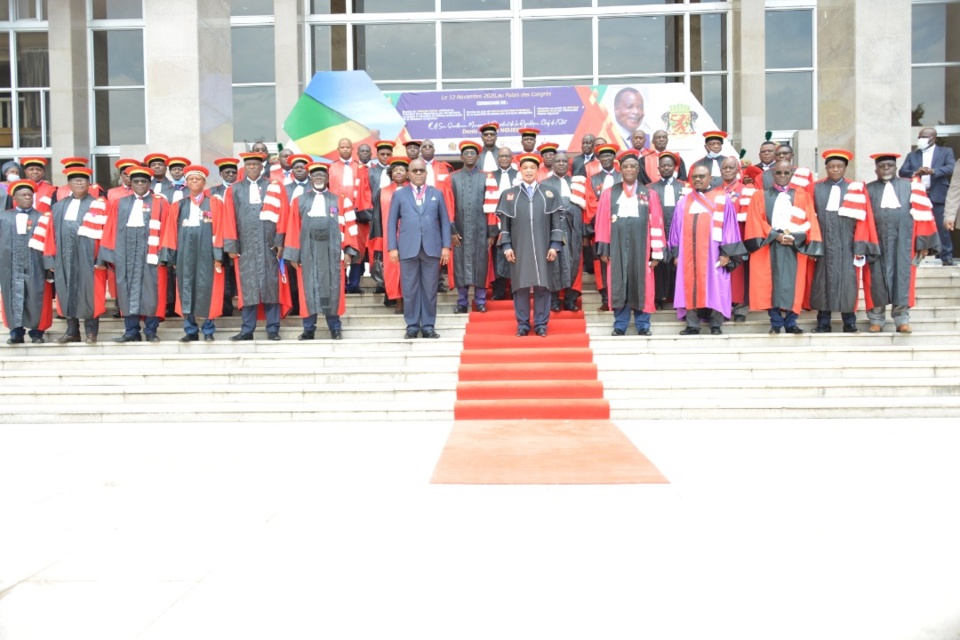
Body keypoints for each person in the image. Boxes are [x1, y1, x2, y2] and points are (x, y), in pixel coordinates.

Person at [864, 152, 941, 333]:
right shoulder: (867, 190)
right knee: (875, 280)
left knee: (903, 279)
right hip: (876, 243)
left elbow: (923, 216)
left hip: (904, 242)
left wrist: (923, 244)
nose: (886, 169)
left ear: (896, 168)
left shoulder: (911, 187)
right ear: (876, 169)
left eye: (889, 165)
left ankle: (901, 319)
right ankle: (876, 319)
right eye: (882, 166)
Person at [744, 160, 823, 335]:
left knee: (792, 284)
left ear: (791, 175)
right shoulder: (760, 196)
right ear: (773, 174)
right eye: (779, 173)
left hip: (794, 246)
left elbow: (810, 220)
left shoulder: (802, 196)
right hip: (769, 245)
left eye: (786, 173)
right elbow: (756, 220)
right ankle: (776, 322)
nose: (782, 176)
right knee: (770, 284)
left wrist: (795, 238)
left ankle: (791, 322)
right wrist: (776, 235)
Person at [283, 162, 360, 340]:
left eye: (322, 175)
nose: (319, 178)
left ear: (327, 179)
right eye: (315, 175)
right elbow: (293, 228)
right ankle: (309, 329)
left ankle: (335, 327)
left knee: (332, 290)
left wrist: (348, 251)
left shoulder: (340, 200)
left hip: (332, 254)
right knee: (308, 291)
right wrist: (293, 255)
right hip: (307, 254)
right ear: (310, 178)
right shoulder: (299, 201)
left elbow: (350, 227)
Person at [809, 149, 880, 333]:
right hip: (822, 242)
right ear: (826, 167)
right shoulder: (815, 187)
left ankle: (849, 322)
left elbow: (863, 220)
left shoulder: (855, 188)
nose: (835, 170)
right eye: (831, 166)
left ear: (845, 168)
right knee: (821, 282)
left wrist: (859, 245)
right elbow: (809, 216)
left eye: (839, 166)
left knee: (848, 283)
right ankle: (823, 322)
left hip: (846, 244)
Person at [221, 151, 291, 341]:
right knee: (248, 288)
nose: (252, 167)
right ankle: (247, 330)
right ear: (244, 167)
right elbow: (228, 217)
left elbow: (283, 215)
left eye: (255, 164)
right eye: (249, 164)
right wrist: (231, 245)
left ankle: (273, 328)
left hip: (269, 246)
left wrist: (280, 242)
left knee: (271, 287)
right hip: (245, 247)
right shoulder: (234, 189)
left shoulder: (274, 187)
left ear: (262, 166)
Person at [669, 164, 746, 335]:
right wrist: (675, 253)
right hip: (689, 255)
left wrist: (726, 253)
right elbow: (675, 229)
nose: (697, 179)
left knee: (716, 287)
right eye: (694, 176)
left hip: (714, 254)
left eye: (701, 176)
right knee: (689, 287)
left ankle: (716, 324)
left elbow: (730, 228)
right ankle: (692, 324)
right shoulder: (684, 202)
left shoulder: (721, 199)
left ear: (710, 178)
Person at [594, 150, 665, 336]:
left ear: (638, 168)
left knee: (642, 283)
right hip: (616, 247)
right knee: (619, 283)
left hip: (641, 247)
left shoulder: (649, 194)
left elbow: (656, 223)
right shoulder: (610, 194)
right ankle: (620, 324)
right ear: (620, 169)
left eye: (633, 166)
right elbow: (602, 222)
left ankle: (643, 324)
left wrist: (656, 252)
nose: (629, 169)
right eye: (625, 166)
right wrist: (603, 248)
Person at [98, 167, 170, 342]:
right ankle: (131, 331)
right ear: (130, 183)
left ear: (149, 183)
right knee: (127, 292)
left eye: (143, 181)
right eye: (136, 181)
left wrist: (166, 254)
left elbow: (168, 229)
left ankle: (151, 331)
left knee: (152, 292)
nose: (139, 184)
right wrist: (108, 256)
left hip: (151, 256)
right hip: (126, 256)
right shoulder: (120, 203)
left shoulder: (160, 202)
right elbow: (110, 229)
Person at [496, 153, 563, 337]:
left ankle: (541, 324)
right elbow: (504, 226)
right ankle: (523, 324)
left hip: (544, 247)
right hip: (519, 248)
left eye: (532, 168)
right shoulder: (509, 195)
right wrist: (507, 246)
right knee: (521, 287)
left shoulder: (550, 193)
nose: (528, 171)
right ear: (520, 170)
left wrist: (554, 245)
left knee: (543, 286)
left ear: (537, 170)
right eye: (525, 168)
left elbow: (557, 222)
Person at [158, 164, 225, 342]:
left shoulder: (215, 203)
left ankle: (208, 330)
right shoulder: (179, 205)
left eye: (198, 179)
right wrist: (169, 257)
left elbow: (220, 229)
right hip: (185, 255)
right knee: (186, 290)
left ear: (204, 182)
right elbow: (170, 231)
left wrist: (218, 256)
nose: (194, 181)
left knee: (208, 290)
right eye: (191, 179)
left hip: (208, 255)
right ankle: (190, 330)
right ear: (186, 182)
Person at [387, 158, 451, 339]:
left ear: (426, 172)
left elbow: (445, 222)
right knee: (410, 289)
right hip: (408, 248)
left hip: (432, 248)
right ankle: (413, 326)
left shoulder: (436, 194)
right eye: (414, 171)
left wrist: (446, 246)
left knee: (430, 289)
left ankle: (429, 325)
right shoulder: (400, 195)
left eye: (421, 170)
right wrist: (392, 247)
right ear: (408, 173)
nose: (418, 174)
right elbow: (391, 222)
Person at [44, 166, 108, 344]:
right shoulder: (58, 207)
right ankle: (72, 331)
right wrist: (50, 259)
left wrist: (102, 257)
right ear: (69, 184)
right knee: (66, 293)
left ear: (89, 184)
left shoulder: (99, 205)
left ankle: (91, 332)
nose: (79, 183)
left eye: (83, 180)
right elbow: (50, 234)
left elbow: (107, 233)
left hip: (90, 258)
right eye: (75, 180)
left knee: (90, 295)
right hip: (64, 258)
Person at [0, 180, 53, 343]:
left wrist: (49, 265)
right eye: (23, 195)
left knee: (37, 298)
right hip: (11, 266)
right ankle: (16, 332)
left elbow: (50, 242)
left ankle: (37, 332)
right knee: (12, 298)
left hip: (36, 265)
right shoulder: (4, 217)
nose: (28, 198)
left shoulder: (42, 217)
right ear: (14, 197)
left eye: (30, 195)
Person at [448, 140, 496, 314]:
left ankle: (480, 301)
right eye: (466, 153)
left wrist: (491, 232)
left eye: (472, 153)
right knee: (460, 265)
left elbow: (492, 206)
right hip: (459, 231)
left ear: (477, 156)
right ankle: (462, 302)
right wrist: (451, 231)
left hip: (481, 230)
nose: (469, 156)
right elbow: (448, 205)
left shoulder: (486, 177)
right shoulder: (452, 178)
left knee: (481, 264)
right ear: (461, 156)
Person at [898, 127, 956, 265]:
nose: (921, 140)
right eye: (920, 136)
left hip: (937, 195)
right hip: (918, 197)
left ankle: (946, 258)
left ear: (934, 138)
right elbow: (902, 172)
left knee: (942, 228)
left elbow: (951, 167)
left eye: (924, 137)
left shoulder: (945, 152)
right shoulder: (913, 155)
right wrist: (916, 172)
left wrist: (933, 171)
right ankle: (915, 257)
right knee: (916, 227)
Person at [541, 151, 587, 312]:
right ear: (552, 164)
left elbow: (583, 210)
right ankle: (554, 300)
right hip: (552, 231)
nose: (561, 163)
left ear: (568, 165)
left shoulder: (576, 184)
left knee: (574, 264)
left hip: (574, 230)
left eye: (564, 161)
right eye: (558, 161)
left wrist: (585, 233)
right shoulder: (544, 184)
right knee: (553, 265)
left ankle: (570, 299)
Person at [328, 138, 373, 294]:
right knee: (338, 246)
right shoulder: (331, 167)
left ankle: (354, 283)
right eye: (342, 147)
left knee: (357, 246)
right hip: (336, 213)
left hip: (355, 214)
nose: (345, 149)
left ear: (352, 149)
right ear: (338, 149)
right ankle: (341, 283)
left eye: (348, 147)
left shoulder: (360, 167)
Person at [368, 156, 410, 312]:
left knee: (409, 271)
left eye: (402, 170)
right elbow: (377, 218)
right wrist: (379, 243)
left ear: (408, 173)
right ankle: (398, 302)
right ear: (391, 173)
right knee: (393, 271)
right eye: (395, 170)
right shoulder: (383, 192)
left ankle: (410, 301)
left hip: (409, 237)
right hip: (390, 239)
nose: (398, 172)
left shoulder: (414, 190)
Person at [585, 143, 621, 310]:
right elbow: (591, 203)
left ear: (614, 158)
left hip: (621, 228)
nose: (606, 158)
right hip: (600, 229)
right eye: (603, 156)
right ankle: (606, 298)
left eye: (609, 155)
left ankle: (620, 297)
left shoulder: (623, 177)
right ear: (598, 159)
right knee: (601, 264)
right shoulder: (593, 180)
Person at [648, 151, 685, 310]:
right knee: (659, 265)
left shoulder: (684, 186)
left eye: (669, 165)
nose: (666, 168)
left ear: (675, 167)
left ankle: (677, 298)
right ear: (658, 168)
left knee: (678, 265)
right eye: (663, 165)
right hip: (659, 231)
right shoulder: (650, 188)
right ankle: (658, 298)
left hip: (679, 231)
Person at [720, 156, 753, 321]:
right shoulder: (715, 190)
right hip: (721, 241)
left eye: (731, 168)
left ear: (737, 170)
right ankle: (724, 307)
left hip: (740, 238)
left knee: (740, 276)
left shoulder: (746, 190)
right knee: (723, 274)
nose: (727, 171)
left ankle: (740, 309)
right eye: (724, 168)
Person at [489, 146, 519, 300]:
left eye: (507, 156)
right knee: (497, 257)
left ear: (512, 158)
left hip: (516, 223)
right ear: (497, 158)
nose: (504, 159)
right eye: (501, 156)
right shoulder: (490, 176)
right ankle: (498, 291)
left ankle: (516, 290)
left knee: (516, 256)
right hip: (495, 222)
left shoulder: (518, 175)